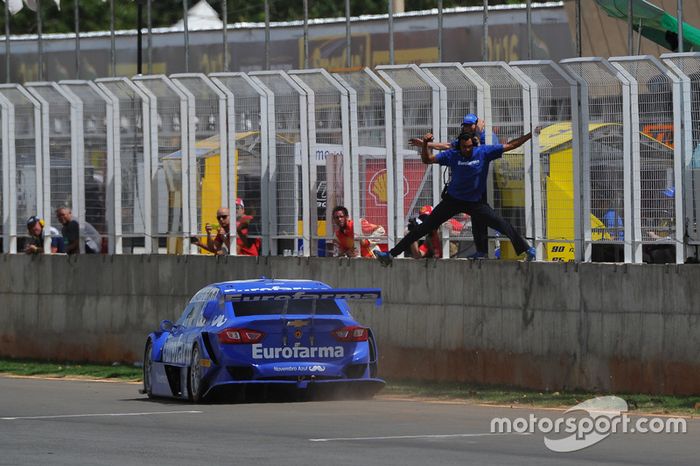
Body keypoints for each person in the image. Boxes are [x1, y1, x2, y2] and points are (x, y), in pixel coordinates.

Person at [375, 128, 538, 266]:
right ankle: (390, 255)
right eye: (463, 147)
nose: (466, 150)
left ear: (472, 145)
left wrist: (530, 135)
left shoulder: (483, 152)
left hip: (475, 203)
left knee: (501, 223)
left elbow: (511, 145)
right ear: (459, 146)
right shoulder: (453, 154)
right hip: (452, 201)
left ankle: (527, 249)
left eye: (468, 147)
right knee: (423, 227)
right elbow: (427, 160)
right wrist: (425, 144)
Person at [410, 113, 499, 259]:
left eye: (469, 125)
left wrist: (477, 133)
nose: (466, 128)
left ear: (476, 125)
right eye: (464, 125)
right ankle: (482, 251)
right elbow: (447, 146)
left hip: (487, 184)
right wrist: (425, 144)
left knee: (489, 218)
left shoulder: (485, 137)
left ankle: (494, 247)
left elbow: (480, 150)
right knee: (477, 220)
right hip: (473, 188)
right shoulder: (465, 139)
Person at [192, 201, 260, 256]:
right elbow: (214, 248)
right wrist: (208, 235)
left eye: (224, 217)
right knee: (219, 252)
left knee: (222, 252)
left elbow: (236, 251)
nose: (221, 219)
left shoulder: (239, 228)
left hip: (250, 259)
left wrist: (224, 237)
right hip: (238, 260)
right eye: (218, 218)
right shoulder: (223, 229)